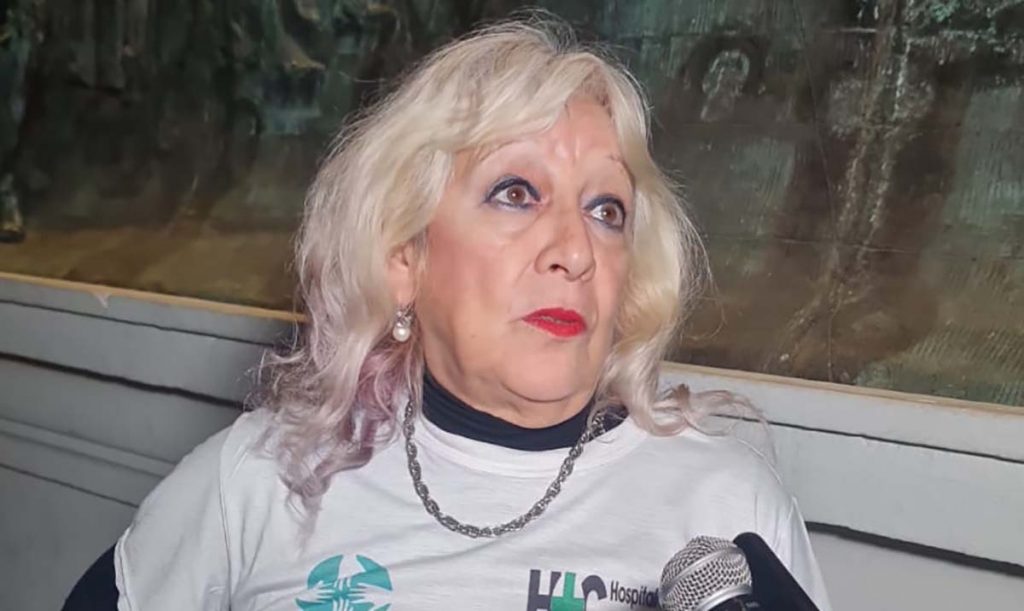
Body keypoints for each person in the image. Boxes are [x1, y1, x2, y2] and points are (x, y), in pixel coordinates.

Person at [113, 17, 832, 611]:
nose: (575, 251)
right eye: (516, 193)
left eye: (606, 210)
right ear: (404, 257)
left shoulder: (728, 506)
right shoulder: (260, 478)